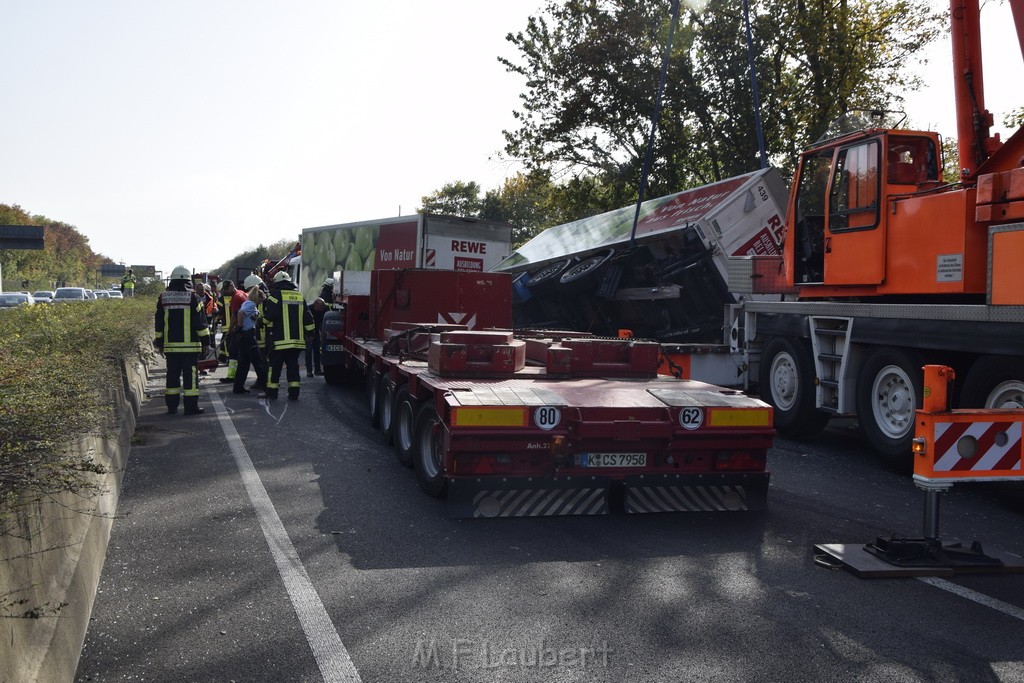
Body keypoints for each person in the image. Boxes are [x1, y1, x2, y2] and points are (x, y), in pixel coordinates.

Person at [155, 266, 211, 415]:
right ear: (188, 280)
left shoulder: (163, 298)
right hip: (190, 348)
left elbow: (159, 324)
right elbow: (200, 323)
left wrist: (159, 343)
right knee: (190, 377)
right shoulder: (193, 297)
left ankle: (172, 407)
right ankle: (190, 407)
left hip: (171, 348)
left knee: (172, 376)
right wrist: (206, 342)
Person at [261, 271, 314, 400]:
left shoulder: (275, 295)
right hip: (296, 342)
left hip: (279, 342)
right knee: (293, 367)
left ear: (277, 282)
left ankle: (272, 393)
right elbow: (308, 318)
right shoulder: (299, 296)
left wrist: (261, 321)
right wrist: (310, 333)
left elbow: (271, 316)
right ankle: (294, 393)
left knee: (274, 367)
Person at [232, 275, 268, 394]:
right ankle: (265, 386)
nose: (260, 302)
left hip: (245, 336)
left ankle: (238, 387)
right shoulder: (251, 304)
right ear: (257, 297)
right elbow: (241, 313)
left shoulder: (249, 304)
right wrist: (241, 326)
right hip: (248, 336)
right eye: (260, 300)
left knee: (244, 363)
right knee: (258, 362)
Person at [217, 280, 249, 384]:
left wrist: (229, 331)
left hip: (238, 329)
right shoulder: (241, 293)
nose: (226, 292)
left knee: (233, 353)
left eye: (227, 289)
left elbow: (234, 316)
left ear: (232, 286)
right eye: (224, 290)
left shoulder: (235, 297)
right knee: (243, 355)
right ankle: (236, 378)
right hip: (246, 329)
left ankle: (232, 377)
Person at [305, 297, 328, 377]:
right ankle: (309, 371)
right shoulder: (308, 309)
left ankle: (317, 370)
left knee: (317, 350)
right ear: (315, 304)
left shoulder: (323, 309)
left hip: (316, 331)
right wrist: (308, 334)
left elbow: (323, 322)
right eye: (321, 306)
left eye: (323, 307)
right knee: (308, 351)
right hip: (308, 332)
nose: (322, 308)